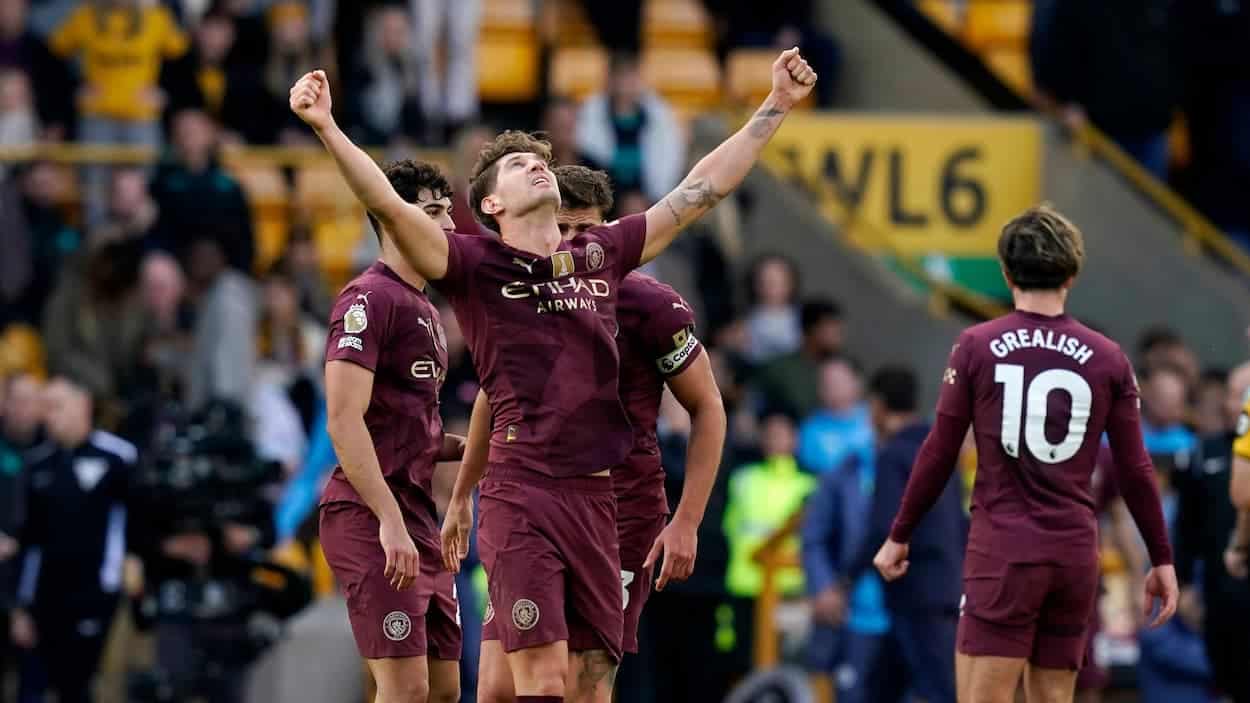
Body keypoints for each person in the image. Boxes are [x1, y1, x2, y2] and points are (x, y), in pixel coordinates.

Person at [290, 46, 816, 702]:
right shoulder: (475, 267)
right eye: (516, 165)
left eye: (538, 160)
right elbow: (389, 207)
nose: (535, 165)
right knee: (535, 680)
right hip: (523, 494)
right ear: (491, 203)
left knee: (589, 683)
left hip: (598, 501)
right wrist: (327, 126)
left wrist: (775, 104)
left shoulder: (600, 254)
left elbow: (698, 192)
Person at [872, 204, 1178, 703]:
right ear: (1072, 274)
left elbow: (940, 450)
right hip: (1074, 555)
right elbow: (1135, 468)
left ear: (1005, 272)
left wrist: (899, 534)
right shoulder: (1109, 357)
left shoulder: (977, 345)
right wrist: (1161, 557)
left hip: (1004, 550)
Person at [450, 165, 727, 703]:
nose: (574, 243)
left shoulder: (650, 305)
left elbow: (708, 407)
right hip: (533, 498)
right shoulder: (525, 293)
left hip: (623, 509)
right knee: (498, 685)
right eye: (563, 228)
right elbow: (493, 398)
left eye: (586, 230)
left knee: (585, 681)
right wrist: (464, 493)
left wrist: (687, 520)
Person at [318, 159, 465, 703]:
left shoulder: (427, 309)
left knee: (444, 689)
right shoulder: (367, 299)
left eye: (448, 212)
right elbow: (343, 418)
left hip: (417, 515)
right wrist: (388, 519)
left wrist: (471, 449)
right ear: (391, 218)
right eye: (433, 212)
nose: (448, 225)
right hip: (369, 513)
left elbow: (408, 431)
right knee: (404, 687)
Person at [835, 365, 965, 703]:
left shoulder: (893, 454)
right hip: (944, 586)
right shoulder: (941, 450)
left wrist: (847, 578)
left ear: (878, 405)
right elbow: (959, 520)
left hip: (914, 593)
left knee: (939, 691)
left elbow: (885, 526)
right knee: (882, 686)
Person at [11, 378, 134, 703]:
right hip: (44, 601)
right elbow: (29, 542)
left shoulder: (118, 457)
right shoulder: (37, 464)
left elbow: (134, 525)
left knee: (81, 689)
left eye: (57, 406)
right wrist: (20, 606)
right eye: (45, 408)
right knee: (30, 689)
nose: (49, 415)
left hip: (95, 597)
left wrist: (123, 578)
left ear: (84, 406)